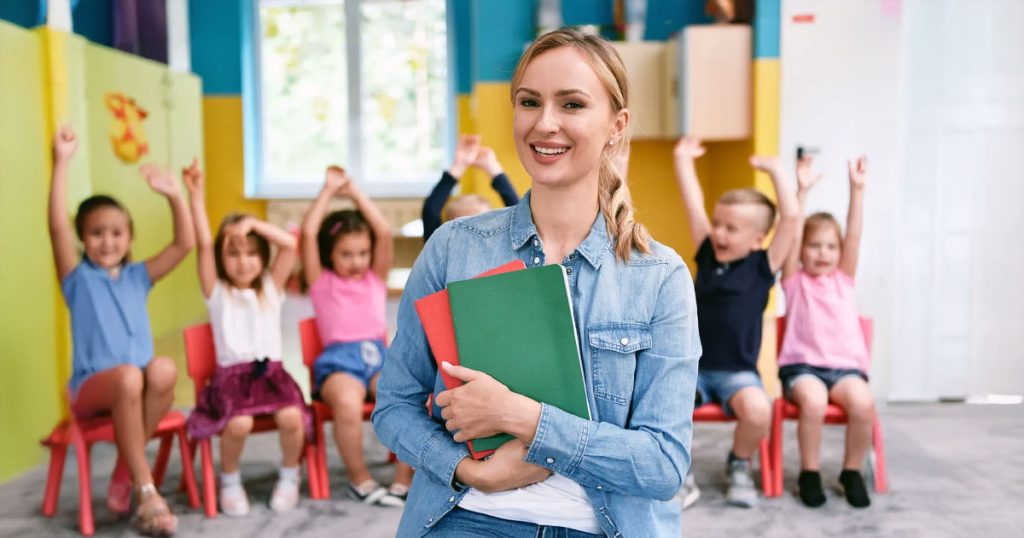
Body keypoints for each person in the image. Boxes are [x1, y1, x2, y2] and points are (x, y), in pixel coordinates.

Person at [373, 29, 700, 536]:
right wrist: (468, 470)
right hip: (465, 514)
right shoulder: (452, 247)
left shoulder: (659, 276)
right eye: (530, 102)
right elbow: (393, 404)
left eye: (572, 104)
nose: (545, 124)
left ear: (617, 125)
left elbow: (662, 466)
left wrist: (527, 418)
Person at [48, 125, 194, 536]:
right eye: (96, 233)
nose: (107, 241)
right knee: (131, 375)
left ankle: (123, 472)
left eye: (116, 233)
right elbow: (57, 226)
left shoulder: (137, 276)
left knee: (163, 369)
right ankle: (146, 489)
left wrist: (173, 195)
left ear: (129, 237)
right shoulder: (77, 279)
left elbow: (184, 244)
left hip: (135, 389)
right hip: (92, 389)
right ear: (82, 238)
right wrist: (62, 163)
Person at [673, 135, 799, 508]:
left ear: (759, 239)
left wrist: (777, 171)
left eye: (731, 228)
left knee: (759, 411)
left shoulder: (763, 266)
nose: (719, 233)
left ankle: (739, 464)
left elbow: (791, 218)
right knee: (664, 404)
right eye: (718, 224)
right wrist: (682, 160)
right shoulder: (708, 256)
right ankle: (679, 471)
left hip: (738, 374)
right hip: (693, 365)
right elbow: (693, 206)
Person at [182, 159, 310, 516]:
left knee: (292, 419)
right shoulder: (217, 292)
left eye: (252, 253)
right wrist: (196, 196)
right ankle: (229, 478)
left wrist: (252, 224)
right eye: (234, 253)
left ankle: (289, 474)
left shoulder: (271, 287)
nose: (243, 262)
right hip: (231, 380)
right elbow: (205, 244)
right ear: (223, 260)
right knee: (238, 424)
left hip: (272, 375)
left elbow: (290, 246)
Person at [301, 166, 415, 506]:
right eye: (346, 254)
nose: (356, 261)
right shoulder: (321, 283)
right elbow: (308, 234)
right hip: (339, 363)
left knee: (403, 394)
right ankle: (359, 478)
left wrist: (353, 193)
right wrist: (327, 192)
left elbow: (381, 229)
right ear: (329, 254)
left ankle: (402, 480)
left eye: (362, 253)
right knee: (348, 405)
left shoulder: (374, 279)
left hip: (378, 357)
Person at [779, 154, 874, 508]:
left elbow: (854, 234)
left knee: (864, 403)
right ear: (802, 250)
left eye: (830, 247)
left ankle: (851, 471)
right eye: (815, 245)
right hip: (803, 369)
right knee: (815, 402)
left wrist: (857, 189)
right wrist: (801, 191)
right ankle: (810, 472)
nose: (823, 253)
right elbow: (790, 234)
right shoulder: (795, 282)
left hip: (845, 369)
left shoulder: (844, 280)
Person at [422, 134, 519, 242]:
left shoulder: (498, 247)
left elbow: (520, 217)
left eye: (483, 223)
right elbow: (431, 212)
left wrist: (493, 167)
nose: (475, 231)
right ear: (448, 230)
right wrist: (458, 166)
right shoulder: (443, 248)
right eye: (465, 226)